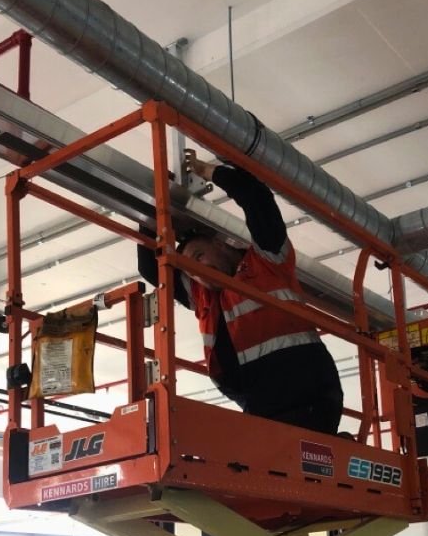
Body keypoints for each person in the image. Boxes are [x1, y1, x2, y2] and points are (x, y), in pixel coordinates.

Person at [136, 154, 345, 434]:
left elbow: (257, 198)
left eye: (199, 256)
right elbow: (151, 269)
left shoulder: (267, 261)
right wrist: (155, 206)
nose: (197, 271)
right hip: (261, 410)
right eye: (190, 268)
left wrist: (209, 171)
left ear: (221, 244)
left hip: (309, 398)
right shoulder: (202, 294)